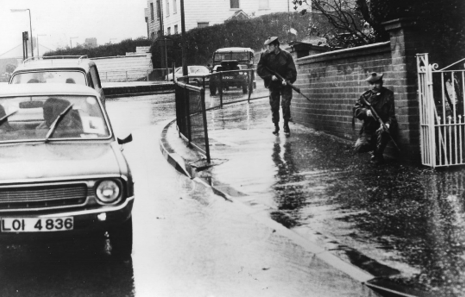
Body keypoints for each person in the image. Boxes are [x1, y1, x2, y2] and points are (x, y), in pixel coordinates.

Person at [257, 36, 297, 136]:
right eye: (267, 46)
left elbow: (292, 71)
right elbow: (260, 70)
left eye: (270, 46)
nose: (268, 48)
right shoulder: (265, 56)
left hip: (285, 85)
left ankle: (286, 125)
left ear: (276, 46)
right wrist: (270, 77)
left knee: (285, 105)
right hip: (273, 85)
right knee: (274, 106)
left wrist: (287, 79)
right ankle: (276, 126)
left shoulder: (286, 55)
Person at [353, 73, 396, 164]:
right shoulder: (365, 96)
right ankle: (374, 147)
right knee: (358, 147)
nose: (374, 86)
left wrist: (387, 124)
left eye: (377, 83)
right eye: (371, 84)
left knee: (383, 133)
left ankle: (377, 154)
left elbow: (392, 115)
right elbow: (356, 111)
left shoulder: (388, 95)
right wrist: (366, 112)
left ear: (381, 83)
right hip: (369, 128)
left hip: (382, 127)